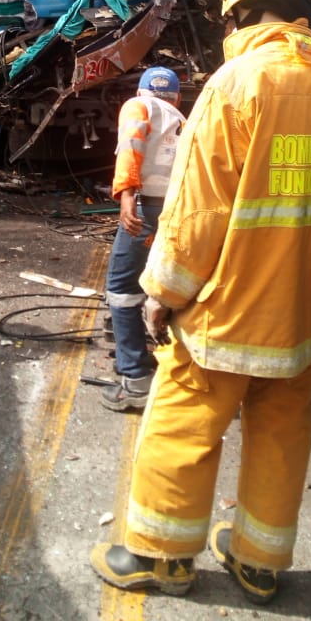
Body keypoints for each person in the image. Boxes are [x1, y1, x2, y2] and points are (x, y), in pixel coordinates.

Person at [90, 0, 311, 603]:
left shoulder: (235, 87)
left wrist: (161, 294)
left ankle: (161, 557)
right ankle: (258, 562)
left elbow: (197, 212)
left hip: (230, 313)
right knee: (282, 430)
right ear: (305, 13)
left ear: (237, 15)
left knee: (183, 419)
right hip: (306, 317)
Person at [101, 66, 186, 412]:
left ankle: (135, 380)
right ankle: (156, 356)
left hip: (145, 210)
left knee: (121, 291)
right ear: (177, 96)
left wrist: (126, 194)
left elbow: (131, 145)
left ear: (141, 91)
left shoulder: (139, 106)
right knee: (160, 286)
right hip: (176, 212)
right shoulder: (183, 119)